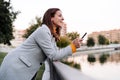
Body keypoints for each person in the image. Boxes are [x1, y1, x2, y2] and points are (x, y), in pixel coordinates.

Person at [0, 8, 82, 80]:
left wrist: (72, 46)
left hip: (24, 68)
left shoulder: (51, 35)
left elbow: (55, 53)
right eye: (60, 16)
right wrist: (72, 46)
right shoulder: (43, 31)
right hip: (16, 66)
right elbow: (53, 55)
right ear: (51, 18)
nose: (63, 18)